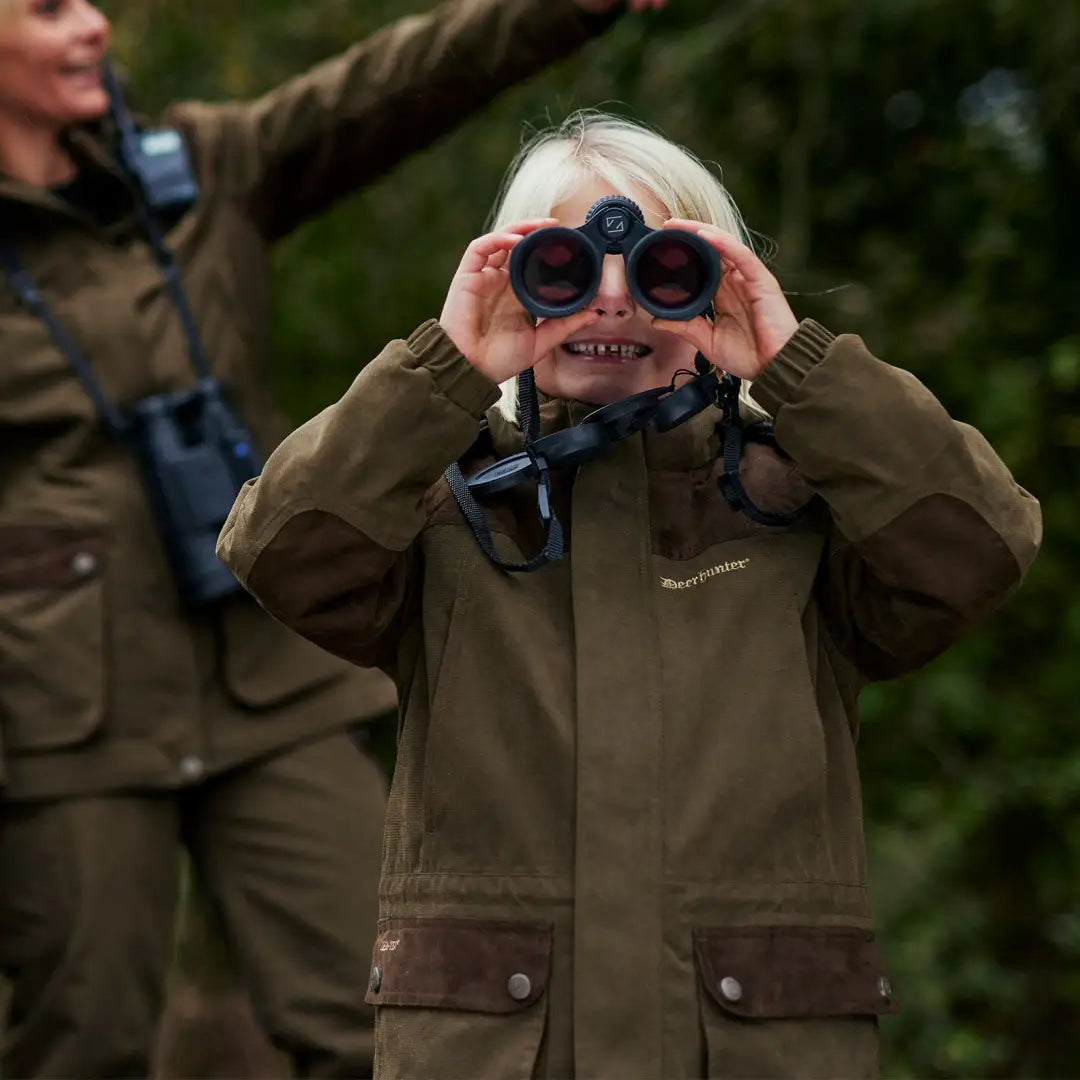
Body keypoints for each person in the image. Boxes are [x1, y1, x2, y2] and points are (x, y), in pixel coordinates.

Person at [219, 112, 1041, 1079]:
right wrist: (439, 376)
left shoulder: (800, 502)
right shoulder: (443, 504)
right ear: (509, 283)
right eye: (562, 271)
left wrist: (801, 370)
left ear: (720, 287)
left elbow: (980, 550)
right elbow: (278, 550)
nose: (612, 303)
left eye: (663, 270)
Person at [0, 0, 667, 1075]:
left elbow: (388, 89)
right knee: (79, 1045)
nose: (92, 27)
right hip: (58, 705)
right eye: (48, 8)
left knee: (392, 1015)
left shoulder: (201, 166)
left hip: (268, 674)